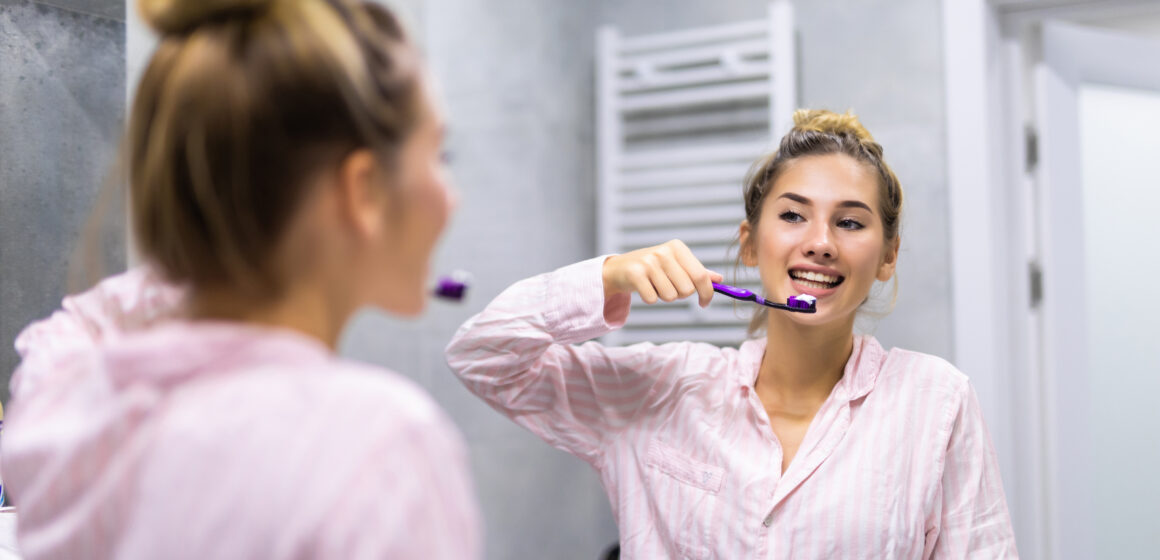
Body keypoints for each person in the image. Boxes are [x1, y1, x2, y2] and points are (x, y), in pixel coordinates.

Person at [1, 0, 480, 558]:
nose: (452, 195)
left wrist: (222, 255)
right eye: (439, 155)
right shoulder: (377, 447)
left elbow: (66, 336)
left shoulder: (74, 416)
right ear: (363, 190)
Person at [446, 110, 1018, 558]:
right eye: (793, 215)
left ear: (888, 255)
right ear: (750, 243)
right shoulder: (662, 389)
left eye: (850, 221)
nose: (820, 241)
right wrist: (607, 276)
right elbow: (482, 354)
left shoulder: (937, 403)